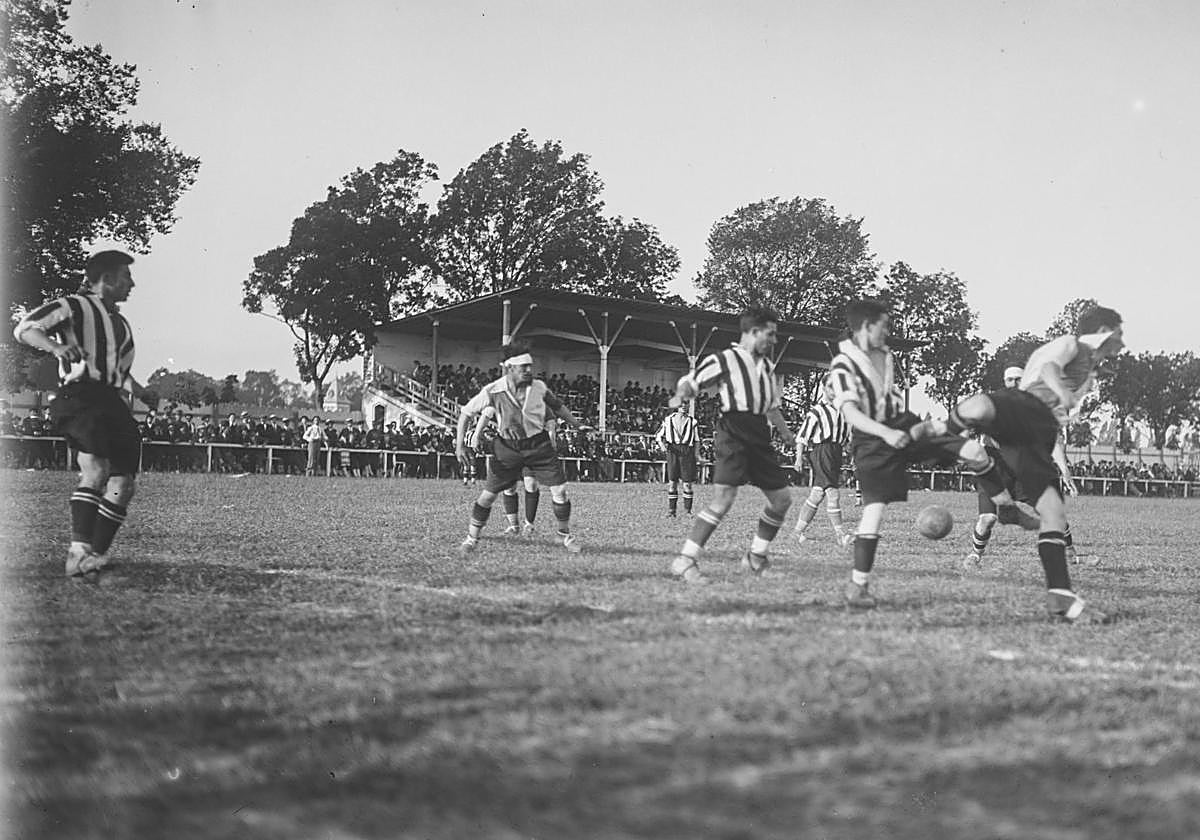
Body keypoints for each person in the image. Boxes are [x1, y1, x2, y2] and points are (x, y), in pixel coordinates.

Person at [911, 305, 1125, 623]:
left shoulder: (1091, 365)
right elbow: (1050, 368)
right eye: (1119, 332)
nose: (1122, 340)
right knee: (979, 407)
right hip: (1025, 409)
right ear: (1104, 330)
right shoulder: (1071, 344)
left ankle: (1061, 598)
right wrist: (1063, 392)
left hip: (1039, 434)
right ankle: (938, 438)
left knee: (1053, 512)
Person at [828, 299, 1013, 608]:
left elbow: (889, 401)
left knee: (973, 450)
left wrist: (921, 426)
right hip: (872, 440)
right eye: (883, 326)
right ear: (866, 326)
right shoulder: (844, 365)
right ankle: (858, 587)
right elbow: (851, 413)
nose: (887, 332)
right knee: (874, 509)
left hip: (902, 426)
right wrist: (886, 433)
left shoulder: (885, 355)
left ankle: (1003, 507)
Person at [13, 249, 147, 577]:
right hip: (79, 397)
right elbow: (26, 329)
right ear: (106, 278)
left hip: (110, 400)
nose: (132, 284)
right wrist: (57, 347)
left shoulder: (120, 323)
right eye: (126, 276)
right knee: (96, 469)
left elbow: (117, 371)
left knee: (123, 483)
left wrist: (140, 390)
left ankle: (93, 556)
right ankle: (78, 552)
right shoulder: (73, 305)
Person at [667, 306, 795, 584]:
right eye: (770, 334)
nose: (774, 341)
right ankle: (685, 560)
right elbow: (693, 381)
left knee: (782, 500)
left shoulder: (767, 367)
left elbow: (771, 407)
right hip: (733, 430)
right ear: (753, 332)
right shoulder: (726, 359)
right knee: (723, 499)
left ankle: (755, 557)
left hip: (759, 433)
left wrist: (786, 433)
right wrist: (682, 393)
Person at [455, 340, 589, 554]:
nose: (528, 371)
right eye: (523, 367)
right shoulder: (493, 390)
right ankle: (472, 538)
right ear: (510, 368)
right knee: (488, 495)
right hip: (507, 447)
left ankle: (563, 534)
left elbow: (558, 406)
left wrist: (576, 424)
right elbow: (465, 413)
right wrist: (460, 445)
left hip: (539, 445)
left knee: (560, 491)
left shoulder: (539, 387)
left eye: (530, 366)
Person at [792, 375, 853, 547]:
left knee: (817, 494)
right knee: (833, 493)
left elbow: (847, 437)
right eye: (832, 386)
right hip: (822, 452)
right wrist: (798, 457)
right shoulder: (817, 411)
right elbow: (802, 436)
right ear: (824, 388)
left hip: (836, 453)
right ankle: (841, 535)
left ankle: (796, 533)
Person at [655, 402, 699, 518]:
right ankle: (671, 511)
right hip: (673, 450)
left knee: (687, 483)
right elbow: (658, 436)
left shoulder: (693, 421)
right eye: (681, 404)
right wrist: (662, 446)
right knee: (672, 482)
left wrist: (696, 455)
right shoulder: (668, 419)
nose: (684, 406)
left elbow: (696, 440)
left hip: (687, 451)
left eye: (686, 404)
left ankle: (688, 511)